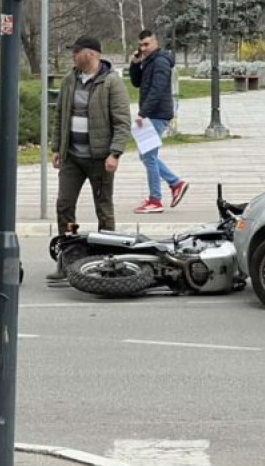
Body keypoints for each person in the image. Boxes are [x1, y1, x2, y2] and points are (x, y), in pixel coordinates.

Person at [50, 36, 131, 280]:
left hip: (100, 159)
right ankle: (69, 256)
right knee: (65, 205)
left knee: (103, 209)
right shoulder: (70, 80)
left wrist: (115, 153)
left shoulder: (111, 82)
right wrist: (57, 148)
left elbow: (122, 122)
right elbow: (60, 116)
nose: (73, 55)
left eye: (77, 51)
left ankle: (107, 261)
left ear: (92, 54)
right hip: (72, 157)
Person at [129, 29, 188, 214]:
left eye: (146, 44)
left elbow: (158, 89)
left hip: (157, 114)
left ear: (155, 43)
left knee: (149, 157)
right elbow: (137, 83)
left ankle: (156, 200)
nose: (143, 48)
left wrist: (143, 113)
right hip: (153, 113)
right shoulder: (149, 61)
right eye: (141, 45)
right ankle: (175, 183)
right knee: (147, 156)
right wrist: (134, 64)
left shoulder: (160, 61)